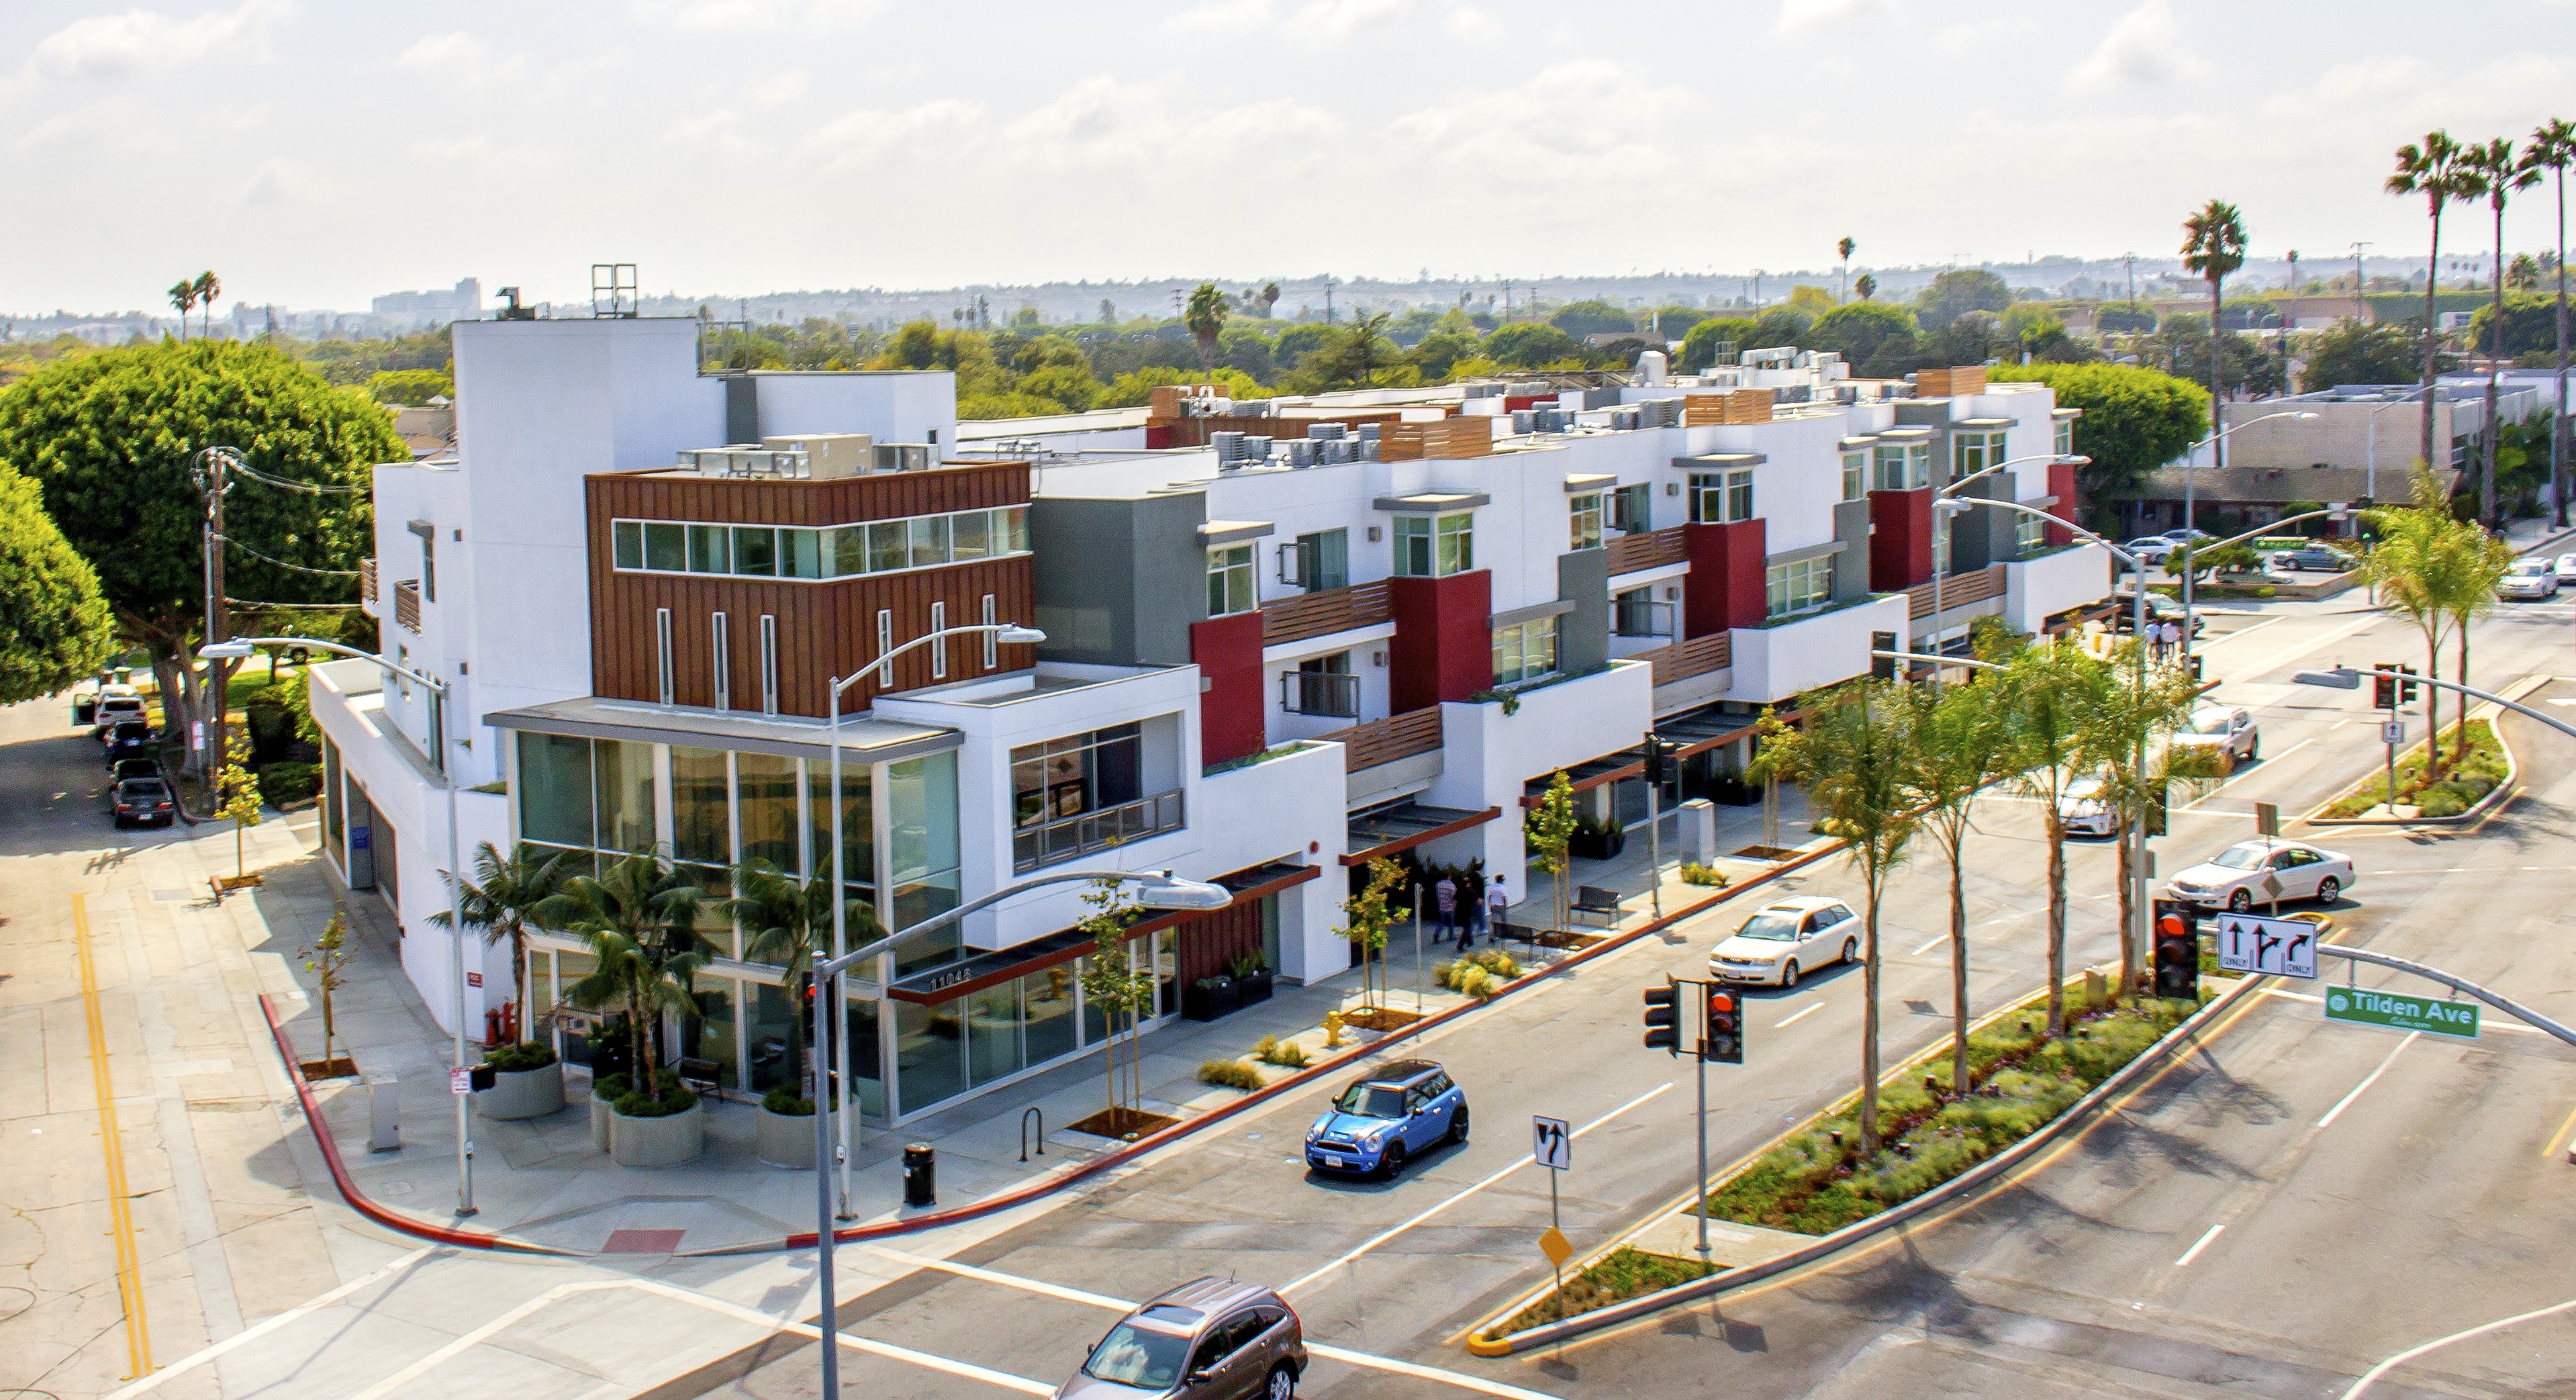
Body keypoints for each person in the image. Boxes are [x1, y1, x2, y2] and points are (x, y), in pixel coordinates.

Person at [1433, 874, 1458, 944]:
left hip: (1441, 906)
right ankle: (1451, 937)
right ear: (1449, 877)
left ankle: (1436, 935)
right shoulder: (1452, 886)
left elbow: (1437, 895)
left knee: (1442, 922)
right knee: (1451, 922)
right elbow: (1454, 896)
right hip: (1450, 907)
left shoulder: (1438, 884)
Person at [1485, 876, 1510, 945]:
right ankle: (1503, 934)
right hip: (1501, 906)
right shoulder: (1503, 888)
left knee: (1493, 922)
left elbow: (1489, 897)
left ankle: (1491, 936)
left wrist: (1490, 905)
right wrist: (1505, 906)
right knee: (1503, 921)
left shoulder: (1493, 888)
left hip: (1494, 906)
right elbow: (1504, 898)